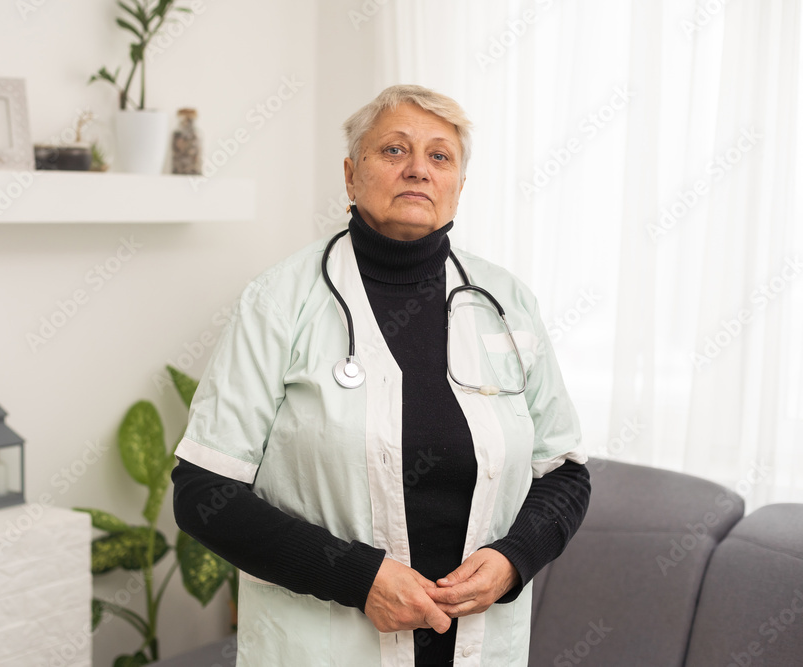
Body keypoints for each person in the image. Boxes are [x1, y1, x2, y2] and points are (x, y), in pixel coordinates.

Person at [172, 84, 590, 667]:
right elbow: (203, 493)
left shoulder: (507, 301)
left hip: (477, 646)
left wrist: (514, 559)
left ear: (459, 187)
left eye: (440, 156)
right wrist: (358, 578)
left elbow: (564, 474)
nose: (418, 169)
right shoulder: (278, 301)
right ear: (350, 175)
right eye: (394, 150)